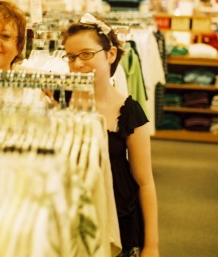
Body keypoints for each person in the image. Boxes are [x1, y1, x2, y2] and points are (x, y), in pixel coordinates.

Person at [61, 13, 159, 257]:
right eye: (71, 57)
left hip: (116, 218)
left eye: (86, 54)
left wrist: (152, 246)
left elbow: (145, 182)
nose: (77, 64)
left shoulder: (128, 111)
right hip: (66, 216)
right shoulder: (56, 98)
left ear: (111, 54)